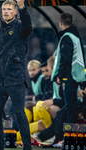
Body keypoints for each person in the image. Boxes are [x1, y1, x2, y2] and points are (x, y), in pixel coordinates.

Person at [0, 0, 32, 149]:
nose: (5, 11)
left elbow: (28, 26)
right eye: (4, 9)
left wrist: (23, 7)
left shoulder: (20, 28)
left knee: (20, 114)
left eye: (9, 9)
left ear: (15, 12)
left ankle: (27, 147)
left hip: (16, 78)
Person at [33, 12, 86, 144]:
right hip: (76, 77)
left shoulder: (67, 38)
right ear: (72, 23)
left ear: (60, 23)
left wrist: (59, 76)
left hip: (70, 77)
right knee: (68, 109)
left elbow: (65, 59)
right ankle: (57, 138)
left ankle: (67, 138)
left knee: (69, 110)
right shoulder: (76, 37)